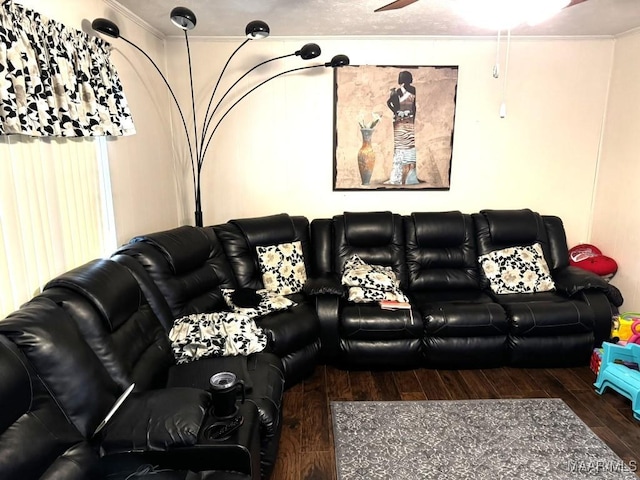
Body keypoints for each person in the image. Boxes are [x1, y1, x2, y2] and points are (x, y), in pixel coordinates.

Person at [384, 70, 420, 185]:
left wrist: (396, 112)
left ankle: (404, 177)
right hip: (405, 119)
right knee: (404, 145)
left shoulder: (401, 91)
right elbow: (390, 102)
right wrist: (398, 112)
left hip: (403, 119)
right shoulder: (402, 91)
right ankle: (404, 177)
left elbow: (390, 103)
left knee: (405, 145)